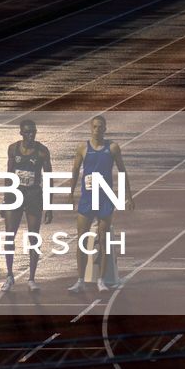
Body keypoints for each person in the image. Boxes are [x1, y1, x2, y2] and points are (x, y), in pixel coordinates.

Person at [70, 115, 133, 293]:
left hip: (105, 199)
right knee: (82, 239)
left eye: (100, 127)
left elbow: (122, 171)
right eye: (94, 126)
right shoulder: (83, 147)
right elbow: (75, 170)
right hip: (87, 199)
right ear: (91, 128)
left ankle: (101, 280)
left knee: (104, 240)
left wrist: (129, 196)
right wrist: (71, 192)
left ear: (105, 129)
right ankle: (80, 280)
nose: (97, 129)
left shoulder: (112, 148)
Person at [0, 119, 52, 291]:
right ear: (21, 133)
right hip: (15, 194)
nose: (31, 135)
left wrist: (49, 206)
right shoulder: (13, 149)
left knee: (33, 237)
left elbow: (49, 179)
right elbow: (9, 173)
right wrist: (4, 198)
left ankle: (31, 278)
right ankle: (9, 275)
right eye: (27, 132)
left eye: (33, 132)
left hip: (33, 196)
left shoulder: (42, 152)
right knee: (9, 236)